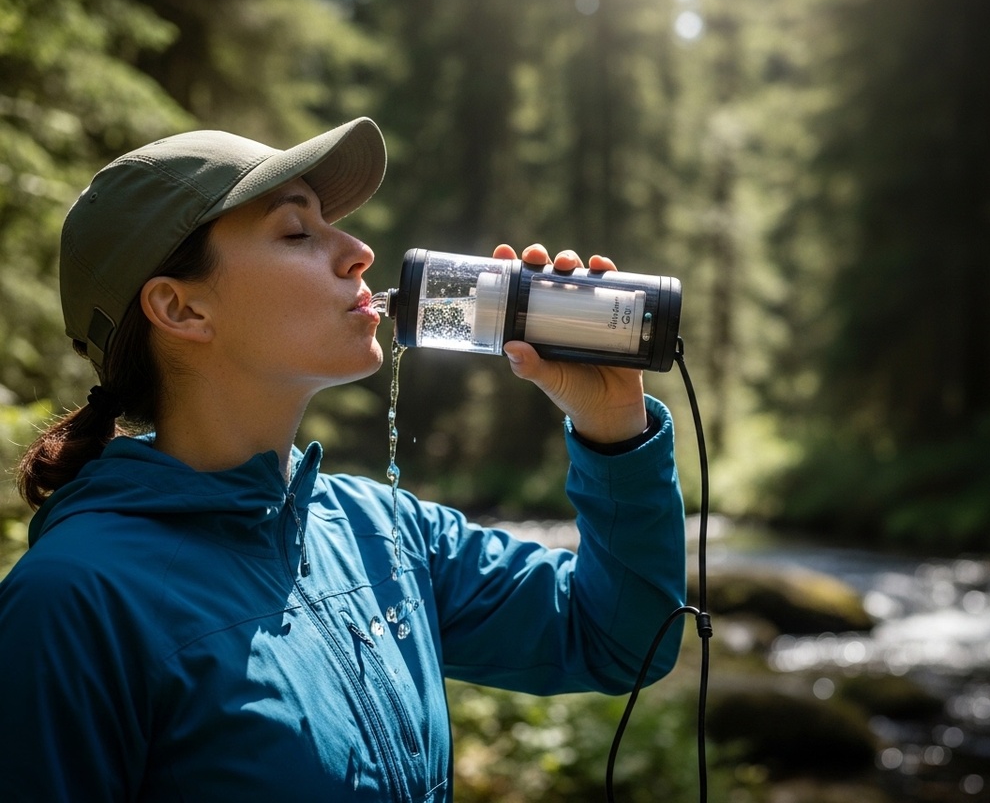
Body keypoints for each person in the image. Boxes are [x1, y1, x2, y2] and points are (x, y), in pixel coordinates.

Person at [0, 117, 687, 801]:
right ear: (180, 308)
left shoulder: (381, 531)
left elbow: (623, 639)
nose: (359, 250)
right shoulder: (72, 602)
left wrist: (612, 430)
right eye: (298, 232)